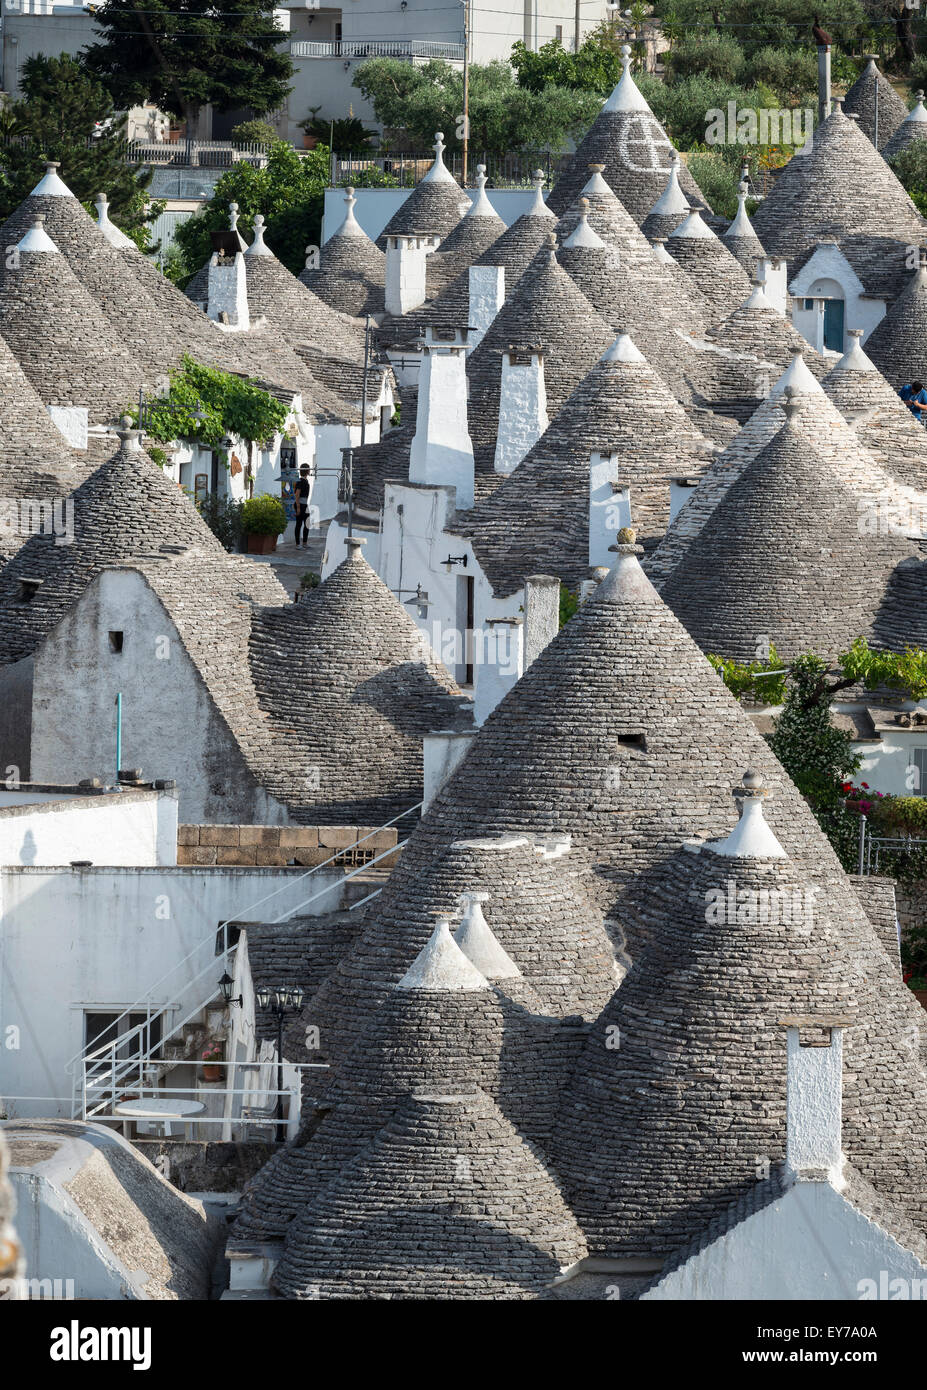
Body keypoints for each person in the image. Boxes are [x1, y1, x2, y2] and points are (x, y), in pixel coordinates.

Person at [293, 464, 311, 546]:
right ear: (307, 471)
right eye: (309, 469)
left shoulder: (304, 481)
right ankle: (297, 544)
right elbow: (297, 494)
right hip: (300, 505)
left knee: (307, 523)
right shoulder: (300, 481)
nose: (310, 470)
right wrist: (298, 507)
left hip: (304, 504)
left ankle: (304, 543)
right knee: (299, 524)